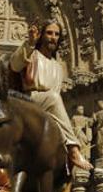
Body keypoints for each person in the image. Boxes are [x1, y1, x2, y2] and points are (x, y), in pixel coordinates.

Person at [10, 21, 92, 175]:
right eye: (49, 33)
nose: (53, 37)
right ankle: (74, 149)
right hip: (29, 100)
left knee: (59, 132)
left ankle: (64, 179)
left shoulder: (57, 66)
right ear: (41, 35)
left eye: (56, 34)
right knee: (54, 98)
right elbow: (14, 65)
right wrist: (29, 43)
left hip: (48, 107)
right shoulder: (31, 54)